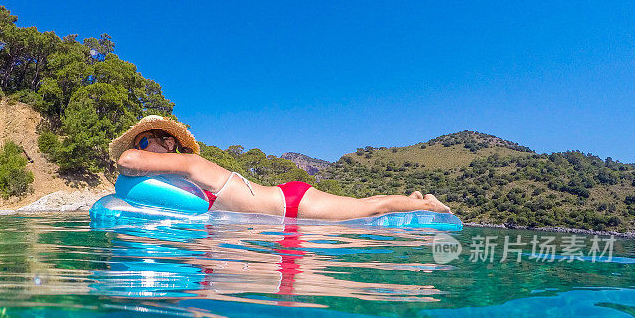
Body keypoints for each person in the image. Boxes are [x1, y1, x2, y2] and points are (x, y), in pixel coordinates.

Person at [111, 115, 452, 219]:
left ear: (167, 144)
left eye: (148, 140)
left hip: (291, 203)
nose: (142, 148)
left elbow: (126, 161)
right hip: (280, 210)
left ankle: (424, 203)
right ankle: (412, 197)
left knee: (367, 209)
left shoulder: (185, 162)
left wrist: (136, 155)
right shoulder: (177, 180)